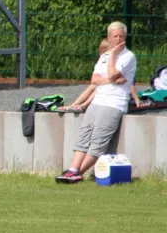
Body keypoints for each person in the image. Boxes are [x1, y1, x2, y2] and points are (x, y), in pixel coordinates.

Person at [56, 22, 137, 184]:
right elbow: (95, 79)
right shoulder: (104, 56)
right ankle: (72, 170)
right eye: (115, 36)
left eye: (121, 36)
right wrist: (111, 79)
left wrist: (113, 57)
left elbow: (114, 74)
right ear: (109, 38)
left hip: (113, 104)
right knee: (84, 137)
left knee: (97, 143)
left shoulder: (128, 56)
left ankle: (77, 174)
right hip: (97, 102)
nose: (118, 39)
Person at [58, 39, 140, 113]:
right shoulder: (104, 66)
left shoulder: (120, 65)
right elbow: (95, 81)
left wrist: (137, 100)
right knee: (93, 86)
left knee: (99, 87)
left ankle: (84, 105)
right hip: (107, 96)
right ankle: (74, 105)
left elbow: (130, 85)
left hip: (117, 99)